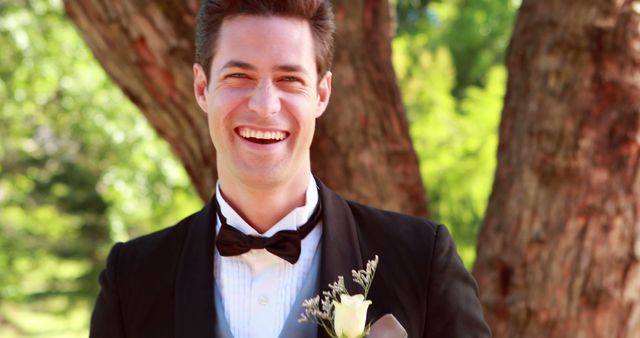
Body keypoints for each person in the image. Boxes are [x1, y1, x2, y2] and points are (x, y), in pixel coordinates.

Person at [89, 1, 491, 337]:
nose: (265, 105)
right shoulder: (132, 279)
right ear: (201, 88)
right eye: (239, 76)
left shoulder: (421, 262)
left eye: (289, 79)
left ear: (321, 94)